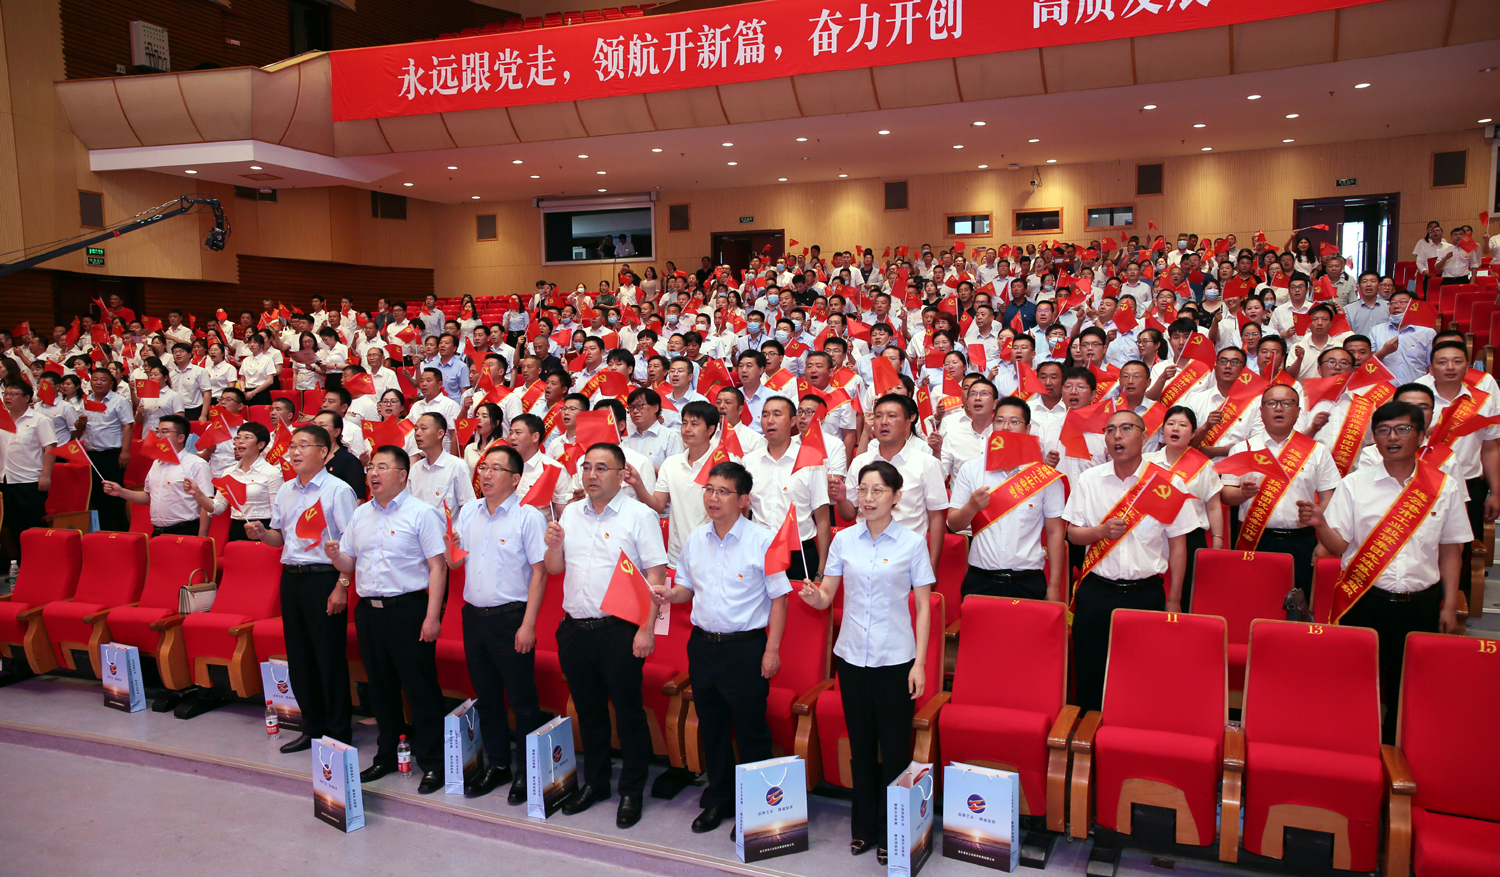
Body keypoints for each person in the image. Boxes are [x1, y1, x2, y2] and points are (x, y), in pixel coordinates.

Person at [1300, 400, 1469, 743]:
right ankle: (1353, 750)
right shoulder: (1354, 485)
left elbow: (1451, 549)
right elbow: (1339, 546)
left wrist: (1450, 605)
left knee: (1407, 691)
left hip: (1420, 605)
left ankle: (1396, 753)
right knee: (1355, 684)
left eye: (1403, 429)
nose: (1393, 437)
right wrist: (1320, 525)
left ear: (1421, 436)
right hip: (1365, 601)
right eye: (1383, 430)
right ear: (1374, 438)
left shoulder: (1444, 487)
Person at [797, 461, 933, 862]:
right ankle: (864, 828)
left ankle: (894, 831)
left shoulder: (912, 543)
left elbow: (924, 608)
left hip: (896, 660)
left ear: (896, 496)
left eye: (877, 491)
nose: (868, 498)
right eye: (862, 490)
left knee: (894, 750)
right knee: (860, 746)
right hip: (852, 657)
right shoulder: (843, 541)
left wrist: (920, 664)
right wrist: (814, 596)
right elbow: (827, 596)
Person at [651, 461, 791, 835]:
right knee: (711, 728)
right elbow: (686, 588)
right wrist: (670, 595)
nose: (713, 498)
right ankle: (720, 799)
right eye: (709, 490)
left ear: (743, 500)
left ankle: (758, 809)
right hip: (703, 646)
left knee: (751, 732)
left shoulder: (762, 541)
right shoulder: (696, 539)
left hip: (745, 649)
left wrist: (772, 650)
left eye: (723, 491)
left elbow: (779, 599)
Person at [543, 443, 667, 828]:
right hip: (575, 629)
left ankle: (631, 790)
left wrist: (646, 629)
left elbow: (656, 575)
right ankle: (595, 784)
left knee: (628, 714)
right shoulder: (571, 514)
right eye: (586, 468)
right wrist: (553, 545)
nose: (591, 475)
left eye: (601, 468)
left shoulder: (640, 515)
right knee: (589, 713)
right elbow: (555, 568)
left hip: (619, 630)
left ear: (620, 474)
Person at [326, 445, 449, 794]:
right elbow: (349, 564)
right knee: (380, 688)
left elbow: (438, 567)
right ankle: (388, 754)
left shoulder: (422, 513)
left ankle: (433, 762)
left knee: (420, 688)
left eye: (382, 467)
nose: (373, 474)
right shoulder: (361, 514)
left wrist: (432, 616)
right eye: (371, 468)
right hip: (369, 611)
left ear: (402, 475)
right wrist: (335, 557)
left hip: (408, 610)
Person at [1064, 410, 1199, 712]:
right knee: (1090, 676)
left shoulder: (1166, 483)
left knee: (1142, 675)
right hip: (1096, 593)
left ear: (1144, 435)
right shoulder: (1090, 480)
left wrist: (1174, 600)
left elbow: (1178, 546)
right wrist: (1100, 532)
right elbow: (1073, 534)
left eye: (1126, 428)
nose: (1117, 436)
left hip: (1146, 595)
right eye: (1110, 430)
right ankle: (1088, 733)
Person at [246, 425, 358, 753]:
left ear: (323, 452)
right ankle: (312, 727)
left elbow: (352, 546)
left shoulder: (338, 491)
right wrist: (261, 534)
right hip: (292, 578)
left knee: (328, 658)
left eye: (303, 446)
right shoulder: (286, 490)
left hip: (324, 578)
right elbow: (279, 538)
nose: (294, 452)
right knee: (299, 657)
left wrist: (342, 587)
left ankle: (338, 732)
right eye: (292, 446)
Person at [446, 444, 548, 803]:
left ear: (515, 478)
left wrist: (528, 625)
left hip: (511, 619)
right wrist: (450, 546)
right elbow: (455, 564)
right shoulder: (468, 512)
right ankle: (499, 764)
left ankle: (527, 772)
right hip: (474, 618)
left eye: (495, 469)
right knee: (487, 698)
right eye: (484, 468)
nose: (486, 475)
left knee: (522, 701)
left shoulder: (528, 517)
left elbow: (540, 574)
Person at [1218, 384, 1339, 599]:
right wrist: (1242, 494)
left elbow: (1329, 500)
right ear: (1262, 411)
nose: (1279, 409)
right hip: (1255, 538)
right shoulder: (1242, 449)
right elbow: (1226, 495)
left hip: (1302, 541)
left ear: (1298, 411)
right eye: (1272, 403)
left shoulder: (1317, 451)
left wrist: (1324, 542)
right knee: (1255, 599)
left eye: (1286, 403)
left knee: (1299, 605)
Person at [946, 396, 1067, 601]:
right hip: (981, 579)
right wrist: (972, 507)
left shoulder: (1044, 476)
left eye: (1014, 421)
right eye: (1000, 421)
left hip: (1027, 581)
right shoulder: (972, 469)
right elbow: (954, 524)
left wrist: (1054, 586)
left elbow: (1055, 532)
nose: (1006, 427)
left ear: (1028, 429)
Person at [741, 396, 831, 580]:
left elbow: (822, 519)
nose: (770, 420)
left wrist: (821, 571)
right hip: (759, 549)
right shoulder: (749, 461)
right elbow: (743, 513)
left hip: (800, 553)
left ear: (792, 421)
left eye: (777, 414)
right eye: (765, 415)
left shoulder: (811, 459)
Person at [1142, 406, 1224, 607]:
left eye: (1182, 425)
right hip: (1153, 537)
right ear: (1163, 430)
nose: (1175, 428)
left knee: (1186, 595)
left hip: (1190, 539)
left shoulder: (1204, 465)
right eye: (1170, 424)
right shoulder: (1145, 462)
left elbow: (1214, 506)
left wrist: (1217, 540)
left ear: (1193, 433)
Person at [102, 415, 211, 537]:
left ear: (181, 437)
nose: (158, 436)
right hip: (158, 531)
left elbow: (206, 503)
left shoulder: (196, 464)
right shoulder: (157, 463)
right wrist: (121, 492)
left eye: (164, 432)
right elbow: (149, 496)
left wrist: (202, 537)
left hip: (186, 530)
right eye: (157, 431)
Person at [183, 422, 279, 543]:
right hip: (236, 528)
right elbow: (217, 507)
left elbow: (277, 512)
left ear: (261, 444)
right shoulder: (229, 472)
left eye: (247, 438)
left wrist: (271, 535)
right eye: (238, 438)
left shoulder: (272, 473)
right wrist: (197, 494)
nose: (240, 441)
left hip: (262, 528)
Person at [1, 382, 58, 553]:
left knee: (30, 525)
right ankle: (18, 561)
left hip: (28, 481)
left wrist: (45, 475)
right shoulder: (2, 418)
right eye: (6, 394)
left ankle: (38, 559)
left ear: (27, 398)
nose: (8, 397)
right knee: (10, 525)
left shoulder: (40, 420)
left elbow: (50, 447)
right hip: (5, 479)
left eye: (13, 394)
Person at [75, 368, 134, 531]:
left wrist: (125, 451)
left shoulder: (119, 401)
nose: (98, 383)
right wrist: (79, 423)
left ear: (111, 383)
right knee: (97, 494)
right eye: (95, 379)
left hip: (112, 454)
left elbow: (128, 426)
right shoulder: (86, 401)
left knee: (114, 493)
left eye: (103, 379)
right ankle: (104, 529)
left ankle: (122, 529)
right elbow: (79, 427)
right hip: (92, 454)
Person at [407, 412, 475, 512]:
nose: (417, 433)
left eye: (423, 428)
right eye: (416, 429)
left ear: (440, 434)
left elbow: (467, 508)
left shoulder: (457, 466)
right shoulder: (415, 469)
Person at [312, 410, 367, 500]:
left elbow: (358, 499)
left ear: (337, 432)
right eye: (314, 425)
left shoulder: (349, 461)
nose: (315, 430)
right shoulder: (309, 458)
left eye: (322, 426)